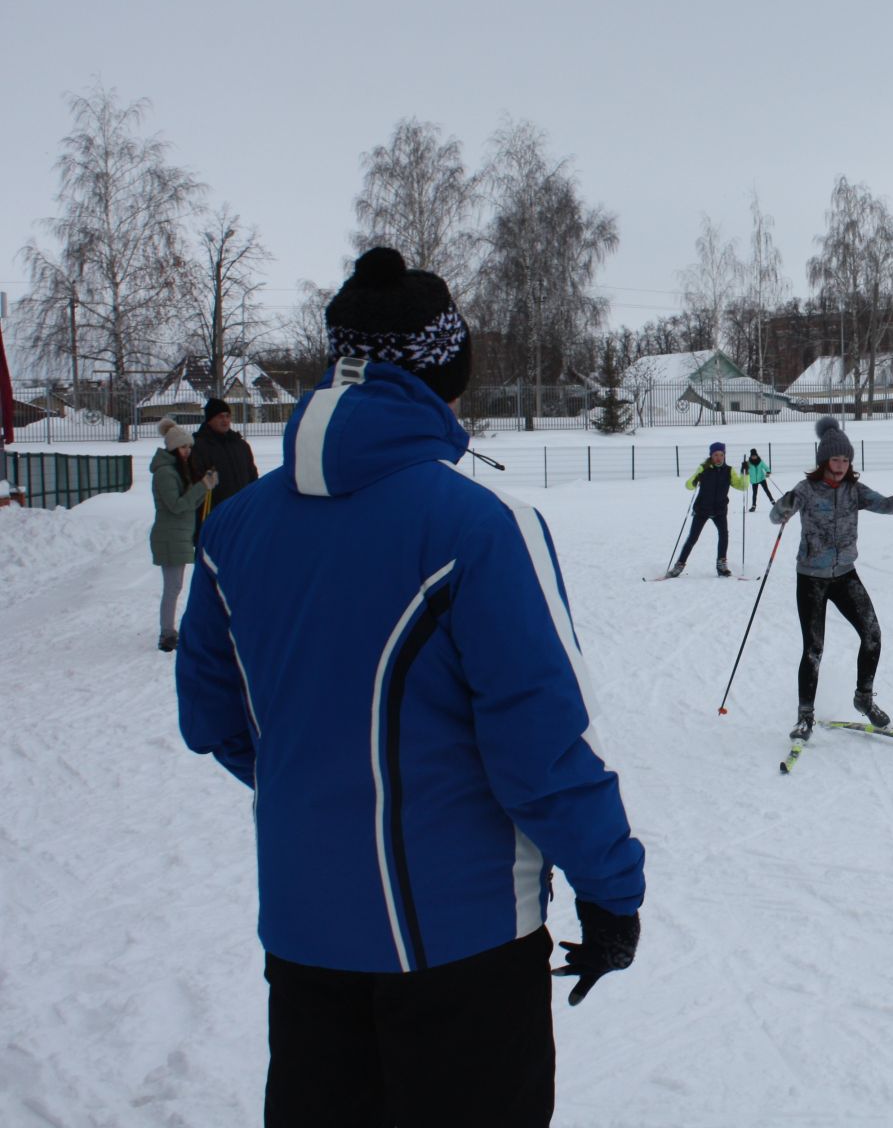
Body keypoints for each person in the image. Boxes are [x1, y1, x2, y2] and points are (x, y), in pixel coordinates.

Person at [175, 247, 645, 1128]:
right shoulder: (478, 526)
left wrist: (326, 795)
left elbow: (215, 722)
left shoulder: (236, 529)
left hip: (305, 941)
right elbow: (539, 753)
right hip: (461, 951)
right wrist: (612, 889)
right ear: (442, 378)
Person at [768, 416, 893, 740]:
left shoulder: (854, 491)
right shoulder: (805, 490)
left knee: (873, 634)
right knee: (814, 649)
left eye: (846, 459)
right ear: (823, 460)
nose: (841, 465)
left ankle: (864, 698)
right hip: (811, 578)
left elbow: (887, 506)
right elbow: (775, 516)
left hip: (845, 575)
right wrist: (784, 506)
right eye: (835, 459)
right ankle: (804, 717)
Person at [150, 418, 216, 651]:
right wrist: (201, 487)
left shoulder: (176, 469)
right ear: (172, 448)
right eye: (183, 447)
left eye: (189, 447)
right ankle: (167, 633)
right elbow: (177, 505)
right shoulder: (165, 473)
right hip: (170, 535)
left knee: (175, 586)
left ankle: (169, 630)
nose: (187, 451)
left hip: (179, 534)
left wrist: (205, 486)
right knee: (172, 587)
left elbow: (190, 504)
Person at [670, 441, 747, 577]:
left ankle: (721, 566)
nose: (718, 457)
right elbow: (689, 485)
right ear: (711, 455)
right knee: (692, 538)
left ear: (724, 455)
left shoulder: (729, 471)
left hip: (720, 510)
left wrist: (745, 474)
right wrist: (696, 477)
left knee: (724, 535)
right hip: (702, 509)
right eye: (716, 455)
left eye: (721, 455)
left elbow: (742, 486)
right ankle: (679, 565)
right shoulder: (703, 469)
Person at [190, 395, 259, 537]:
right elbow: (195, 482)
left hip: (241, 513)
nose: (225, 420)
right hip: (213, 516)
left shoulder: (240, 445)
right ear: (210, 419)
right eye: (220, 417)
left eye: (227, 416)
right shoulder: (198, 446)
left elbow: (252, 476)